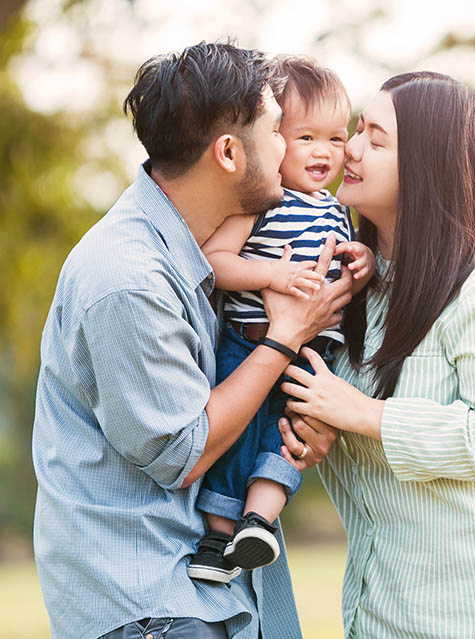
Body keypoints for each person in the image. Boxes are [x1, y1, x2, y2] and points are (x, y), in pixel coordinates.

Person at [31, 42, 351, 639]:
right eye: (277, 129)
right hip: (154, 609)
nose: (289, 146)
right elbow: (186, 451)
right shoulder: (128, 278)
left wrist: (302, 417)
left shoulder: (201, 255)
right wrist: (284, 338)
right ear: (229, 153)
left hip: (202, 597)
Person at [279, 72, 475, 638]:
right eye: (358, 130)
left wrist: (357, 413)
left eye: (376, 139)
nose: (349, 147)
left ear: (426, 168)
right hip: (383, 617)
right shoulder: (355, 283)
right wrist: (321, 429)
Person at [188, 55, 375, 583]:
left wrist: (360, 262)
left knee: (287, 437)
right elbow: (216, 265)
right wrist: (271, 275)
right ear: (272, 138)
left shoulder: (337, 210)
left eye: (337, 140)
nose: (325, 153)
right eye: (306, 137)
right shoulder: (260, 202)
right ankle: (216, 541)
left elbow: (341, 267)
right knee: (235, 438)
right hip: (249, 346)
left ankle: (257, 524)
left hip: (314, 353)